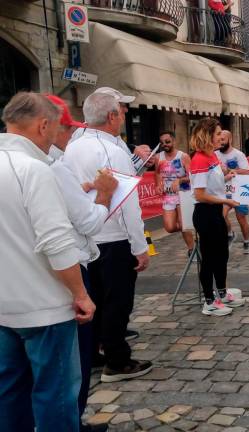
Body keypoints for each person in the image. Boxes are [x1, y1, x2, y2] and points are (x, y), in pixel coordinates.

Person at [0, 92, 96, 432]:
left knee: (10, 394)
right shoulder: (35, 170)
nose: (57, 138)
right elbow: (56, 241)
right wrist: (81, 293)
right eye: (56, 130)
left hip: (5, 306)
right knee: (54, 395)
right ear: (42, 125)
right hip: (45, 307)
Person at [65, 90, 153, 383]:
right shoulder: (113, 151)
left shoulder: (72, 147)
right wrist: (140, 246)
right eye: (122, 111)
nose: (125, 115)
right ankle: (117, 359)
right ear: (111, 116)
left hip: (85, 237)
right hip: (113, 236)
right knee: (118, 301)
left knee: (98, 299)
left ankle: (92, 354)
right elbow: (129, 203)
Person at [46, 95, 117, 432]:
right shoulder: (51, 165)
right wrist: (103, 192)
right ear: (46, 126)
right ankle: (71, 422)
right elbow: (88, 223)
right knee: (74, 360)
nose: (68, 136)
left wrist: (81, 188)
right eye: (65, 128)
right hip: (67, 271)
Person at [190, 119, 246, 316]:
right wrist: (228, 202)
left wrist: (226, 177)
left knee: (222, 254)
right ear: (207, 135)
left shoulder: (212, 156)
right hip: (205, 212)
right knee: (210, 258)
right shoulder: (199, 159)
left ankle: (221, 293)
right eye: (217, 133)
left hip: (215, 211)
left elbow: (214, 181)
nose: (221, 137)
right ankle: (209, 301)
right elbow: (199, 194)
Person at [154, 131, 195, 258]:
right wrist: (158, 184)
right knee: (170, 227)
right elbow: (157, 173)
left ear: (174, 141)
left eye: (167, 142)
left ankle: (192, 250)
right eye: (162, 143)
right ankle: (191, 226)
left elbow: (192, 177)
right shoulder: (158, 157)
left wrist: (180, 180)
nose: (165, 144)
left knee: (183, 225)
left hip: (183, 193)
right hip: (168, 195)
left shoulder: (183, 156)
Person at [216, 130, 249, 254]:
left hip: (238, 191)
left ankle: (247, 241)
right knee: (221, 215)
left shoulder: (238, 154)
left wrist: (230, 170)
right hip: (223, 190)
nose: (220, 142)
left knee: (241, 218)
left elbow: (247, 171)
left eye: (223, 140)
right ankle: (229, 233)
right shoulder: (214, 154)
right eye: (219, 139)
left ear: (230, 140)